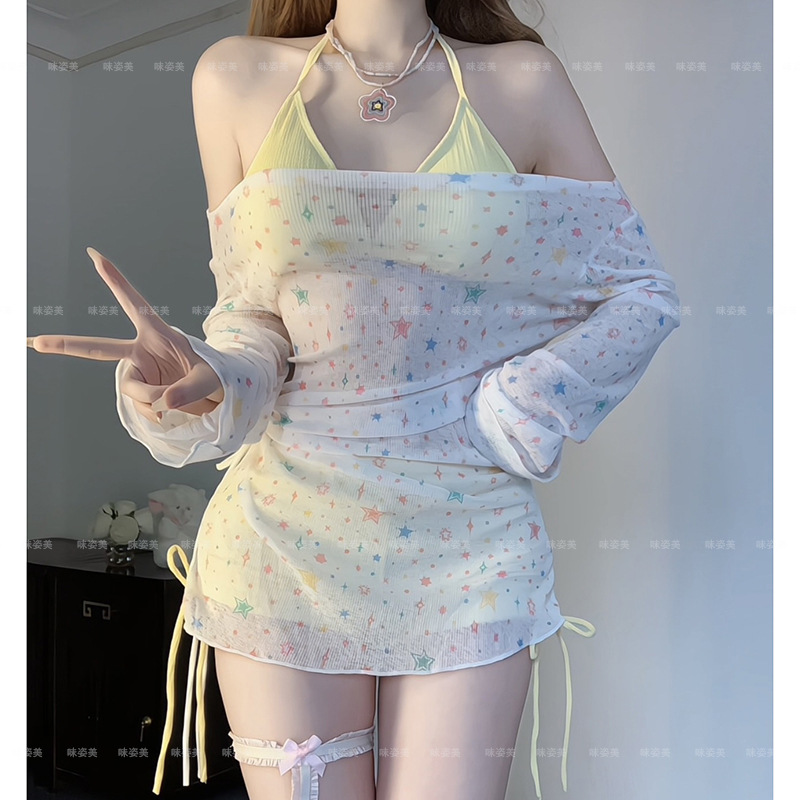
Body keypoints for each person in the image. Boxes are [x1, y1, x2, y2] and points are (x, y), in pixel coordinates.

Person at [27, 2, 682, 799]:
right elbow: (255, 314)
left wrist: (513, 407)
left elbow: (639, 291)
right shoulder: (234, 77)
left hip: (469, 543)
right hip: (283, 540)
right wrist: (211, 376)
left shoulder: (523, 81)